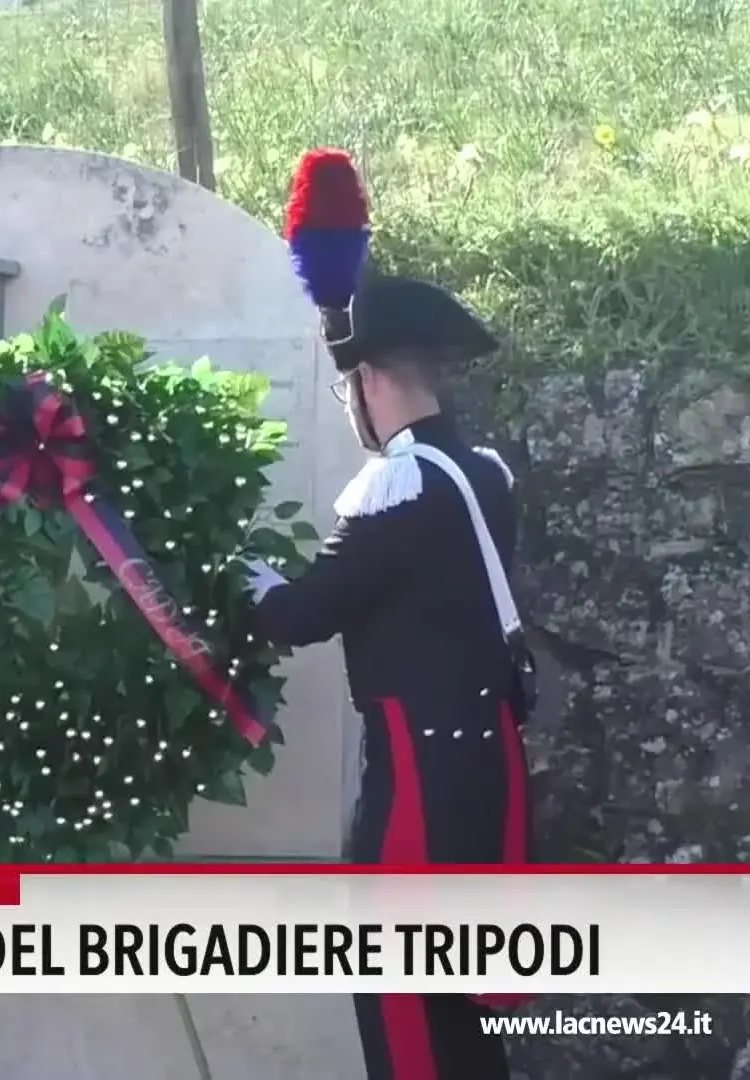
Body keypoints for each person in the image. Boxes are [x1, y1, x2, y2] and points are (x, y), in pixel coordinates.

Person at [243, 273, 536, 1079]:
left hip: (420, 779)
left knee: (399, 994)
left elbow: (301, 615)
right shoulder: (483, 473)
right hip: (489, 769)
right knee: (465, 1004)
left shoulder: (399, 484)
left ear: (368, 381)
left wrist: (243, 575)